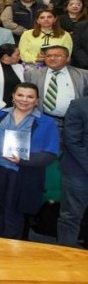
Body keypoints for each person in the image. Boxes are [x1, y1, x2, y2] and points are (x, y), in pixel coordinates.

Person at [0, 83, 60, 240]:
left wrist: (23, 160)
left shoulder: (46, 122)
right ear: (13, 96)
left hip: (24, 172)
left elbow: (50, 153)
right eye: (20, 95)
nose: (24, 99)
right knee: (1, 207)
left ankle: (12, 246)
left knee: (15, 211)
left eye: (30, 97)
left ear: (37, 100)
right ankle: (0, 242)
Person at [24, 45, 88, 128]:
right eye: (48, 56)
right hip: (44, 120)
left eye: (57, 56)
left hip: (75, 122)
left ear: (68, 58)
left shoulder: (83, 75)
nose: (52, 58)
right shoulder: (32, 74)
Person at [59, 96, 88, 247]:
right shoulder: (79, 105)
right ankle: (65, 255)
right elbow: (72, 141)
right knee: (70, 217)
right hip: (79, 171)